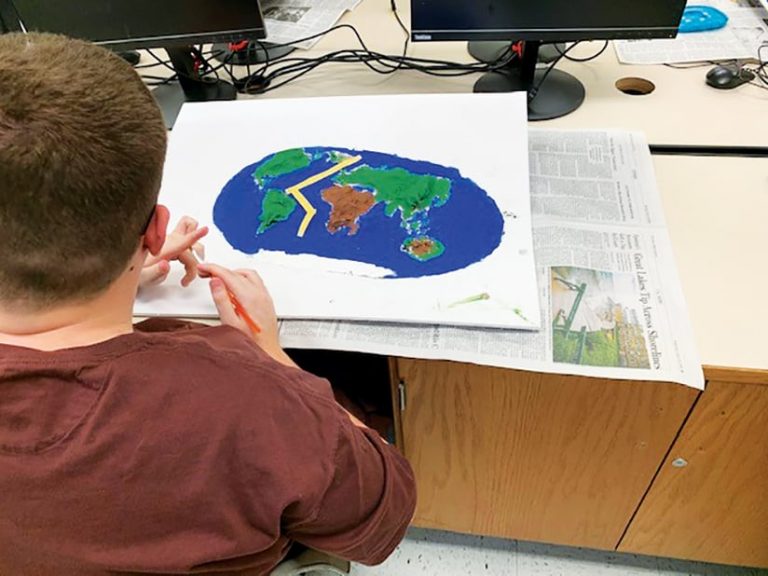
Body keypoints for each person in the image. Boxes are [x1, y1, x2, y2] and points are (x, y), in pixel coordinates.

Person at [0, 32, 416, 575]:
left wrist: (114, 268)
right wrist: (270, 354)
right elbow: (383, 512)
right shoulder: (249, 397)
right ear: (156, 230)